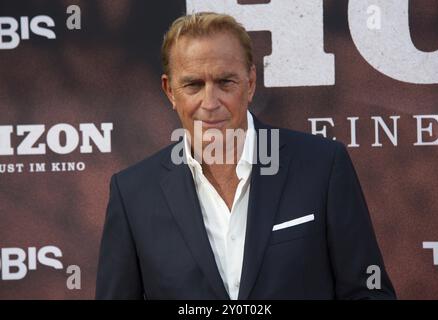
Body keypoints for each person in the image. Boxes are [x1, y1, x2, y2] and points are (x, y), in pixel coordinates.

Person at [96, 12, 396, 300]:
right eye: (193, 85)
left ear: (250, 83)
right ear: (170, 91)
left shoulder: (322, 167)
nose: (210, 102)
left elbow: (368, 292)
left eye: (225, 82)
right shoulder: (134, 194)